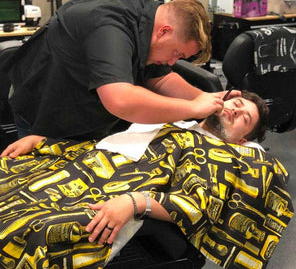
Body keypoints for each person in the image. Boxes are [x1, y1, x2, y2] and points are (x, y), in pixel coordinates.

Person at [0, 91, 293, 269]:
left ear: (242, 139)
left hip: (113, 195)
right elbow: (110, 144)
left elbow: (196, 207)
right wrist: (44, 143)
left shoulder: (221, 154)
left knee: (30, 229)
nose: (234, 109)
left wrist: (134, 202)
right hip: (85, 168)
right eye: (237, 103)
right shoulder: (177, 118)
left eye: (242, 116)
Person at [8, 0, 239, 141]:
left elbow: (161, 78)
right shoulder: (108, 26)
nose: (172, 62)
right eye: (176, 53)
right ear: (165, 31)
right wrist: (192, 109)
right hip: (47, 116)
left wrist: (209, 100)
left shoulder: (149, 19)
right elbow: (120, 100)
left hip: (89, 121)